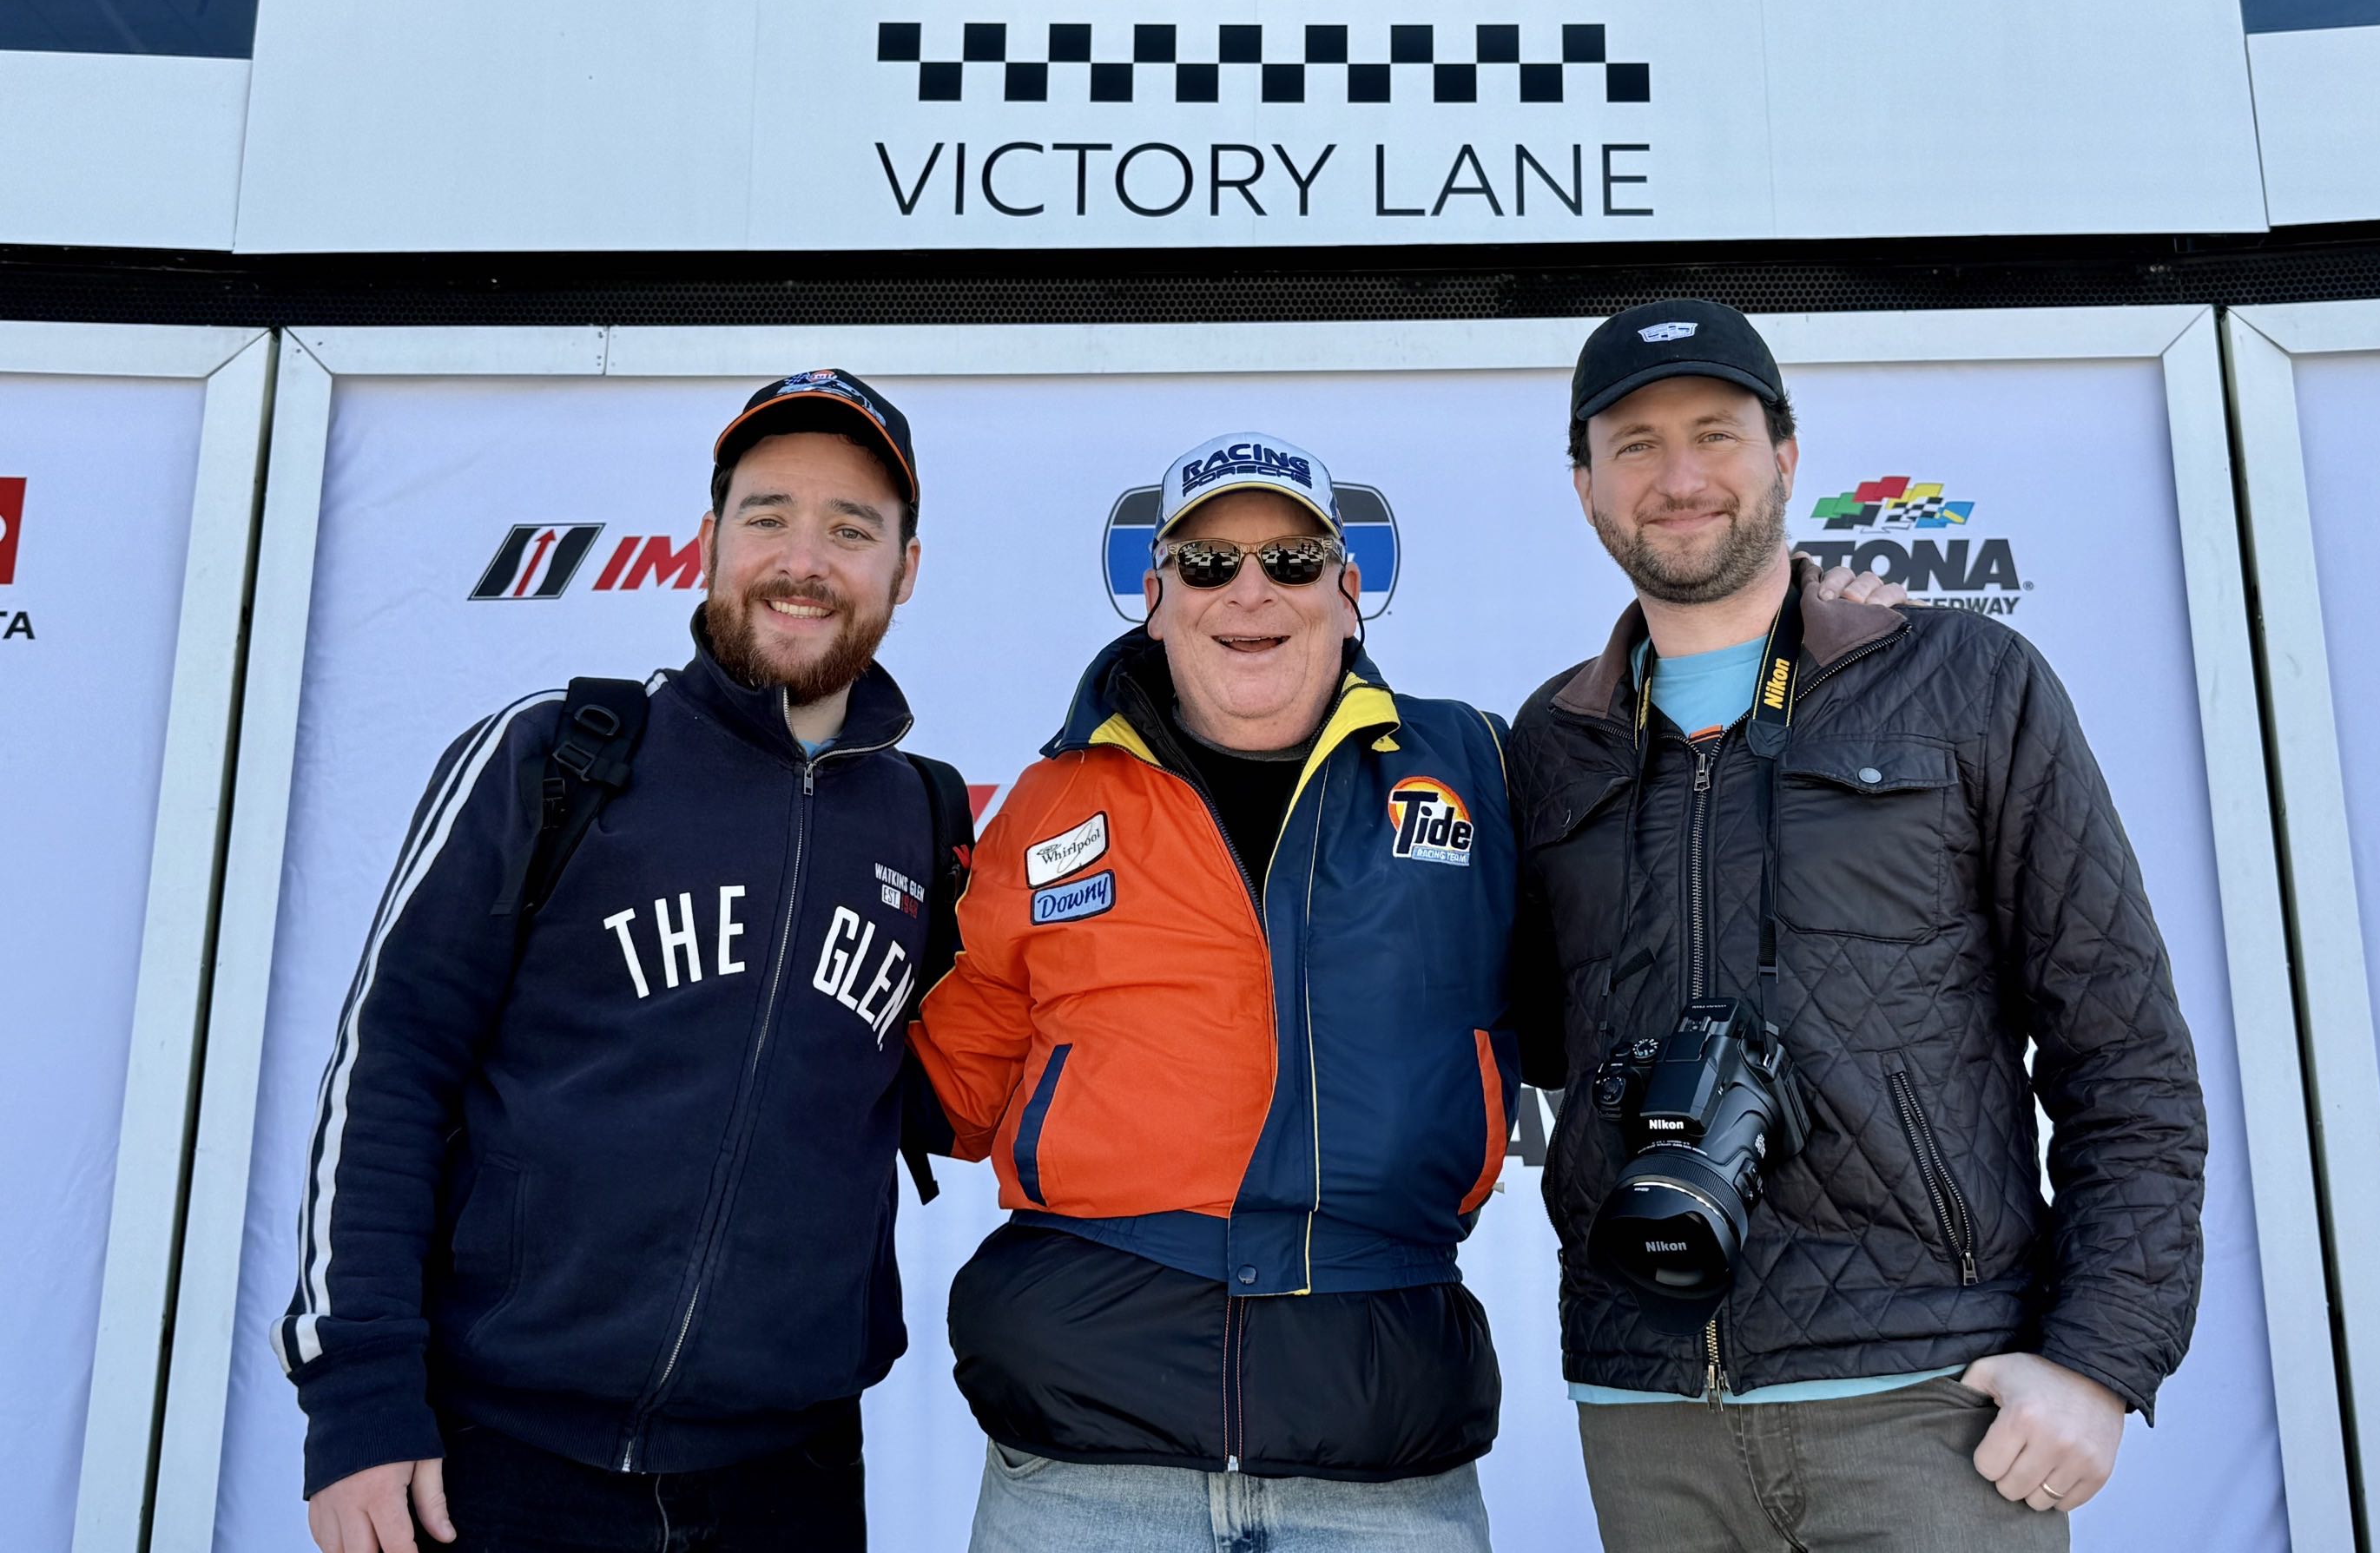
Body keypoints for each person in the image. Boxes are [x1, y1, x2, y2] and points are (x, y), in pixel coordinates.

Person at [1508, 299, 2207, 1552]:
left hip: (1930, 1409)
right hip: (1647, 1414)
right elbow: (1522, 1049)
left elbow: (2127, 1057)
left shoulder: (1964, 684)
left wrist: (2100, 1361)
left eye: (1716, 435)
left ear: (1784, 456)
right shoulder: (1550, 746)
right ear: (1583, 487)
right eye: (1635, 445)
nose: (1679, 479)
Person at [279, 368, 973, 1553]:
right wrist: (359, 1398)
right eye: (768, 517)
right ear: (706, 543)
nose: (804, 559)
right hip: (494, 1462)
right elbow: (388, 1076)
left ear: (904, 571)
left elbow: (965, 1088)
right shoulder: (557, 757)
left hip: (787, 1477)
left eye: (851, 530)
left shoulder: (926, 821)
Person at [906, 431, 1518, 1552]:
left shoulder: (1473, 767)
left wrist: (1812, 646)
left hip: (1382, 1473)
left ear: (1348, 594)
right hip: (1083, 1471)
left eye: (1291, 561)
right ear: (1153, 597)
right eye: (1208, 563)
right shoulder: (1047, 803)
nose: (1250, 591)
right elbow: (944, 1084)